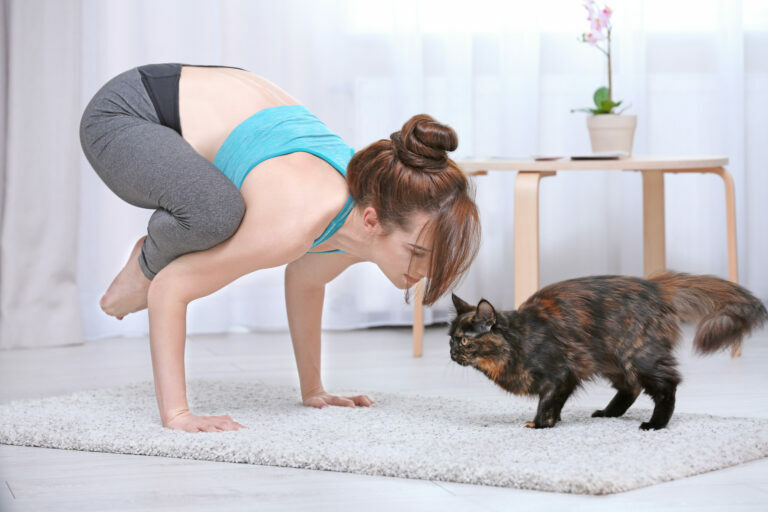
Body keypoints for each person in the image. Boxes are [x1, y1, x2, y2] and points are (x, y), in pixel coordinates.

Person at [79, 63, 481, 433]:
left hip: (196, 101)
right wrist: (177, 414)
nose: (423, 273)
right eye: (417, 253)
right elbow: (170, 288)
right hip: (126, 114)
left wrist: (314, 389)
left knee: (219, 208)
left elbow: (307, 281)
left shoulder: (363, 215)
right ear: (374, 221)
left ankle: (158, 248)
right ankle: (145, 260)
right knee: (217, 214)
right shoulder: (296, 222)